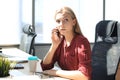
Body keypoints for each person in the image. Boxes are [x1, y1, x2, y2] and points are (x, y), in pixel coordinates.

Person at [41, 6, 92, 80]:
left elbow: (84, 76)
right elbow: (45, 67)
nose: (61, 24)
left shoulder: (82, 42)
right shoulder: (60, 41)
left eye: (66, 20)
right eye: (58, 21)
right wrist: (54, 45)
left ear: (73, 22)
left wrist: (56, 72)